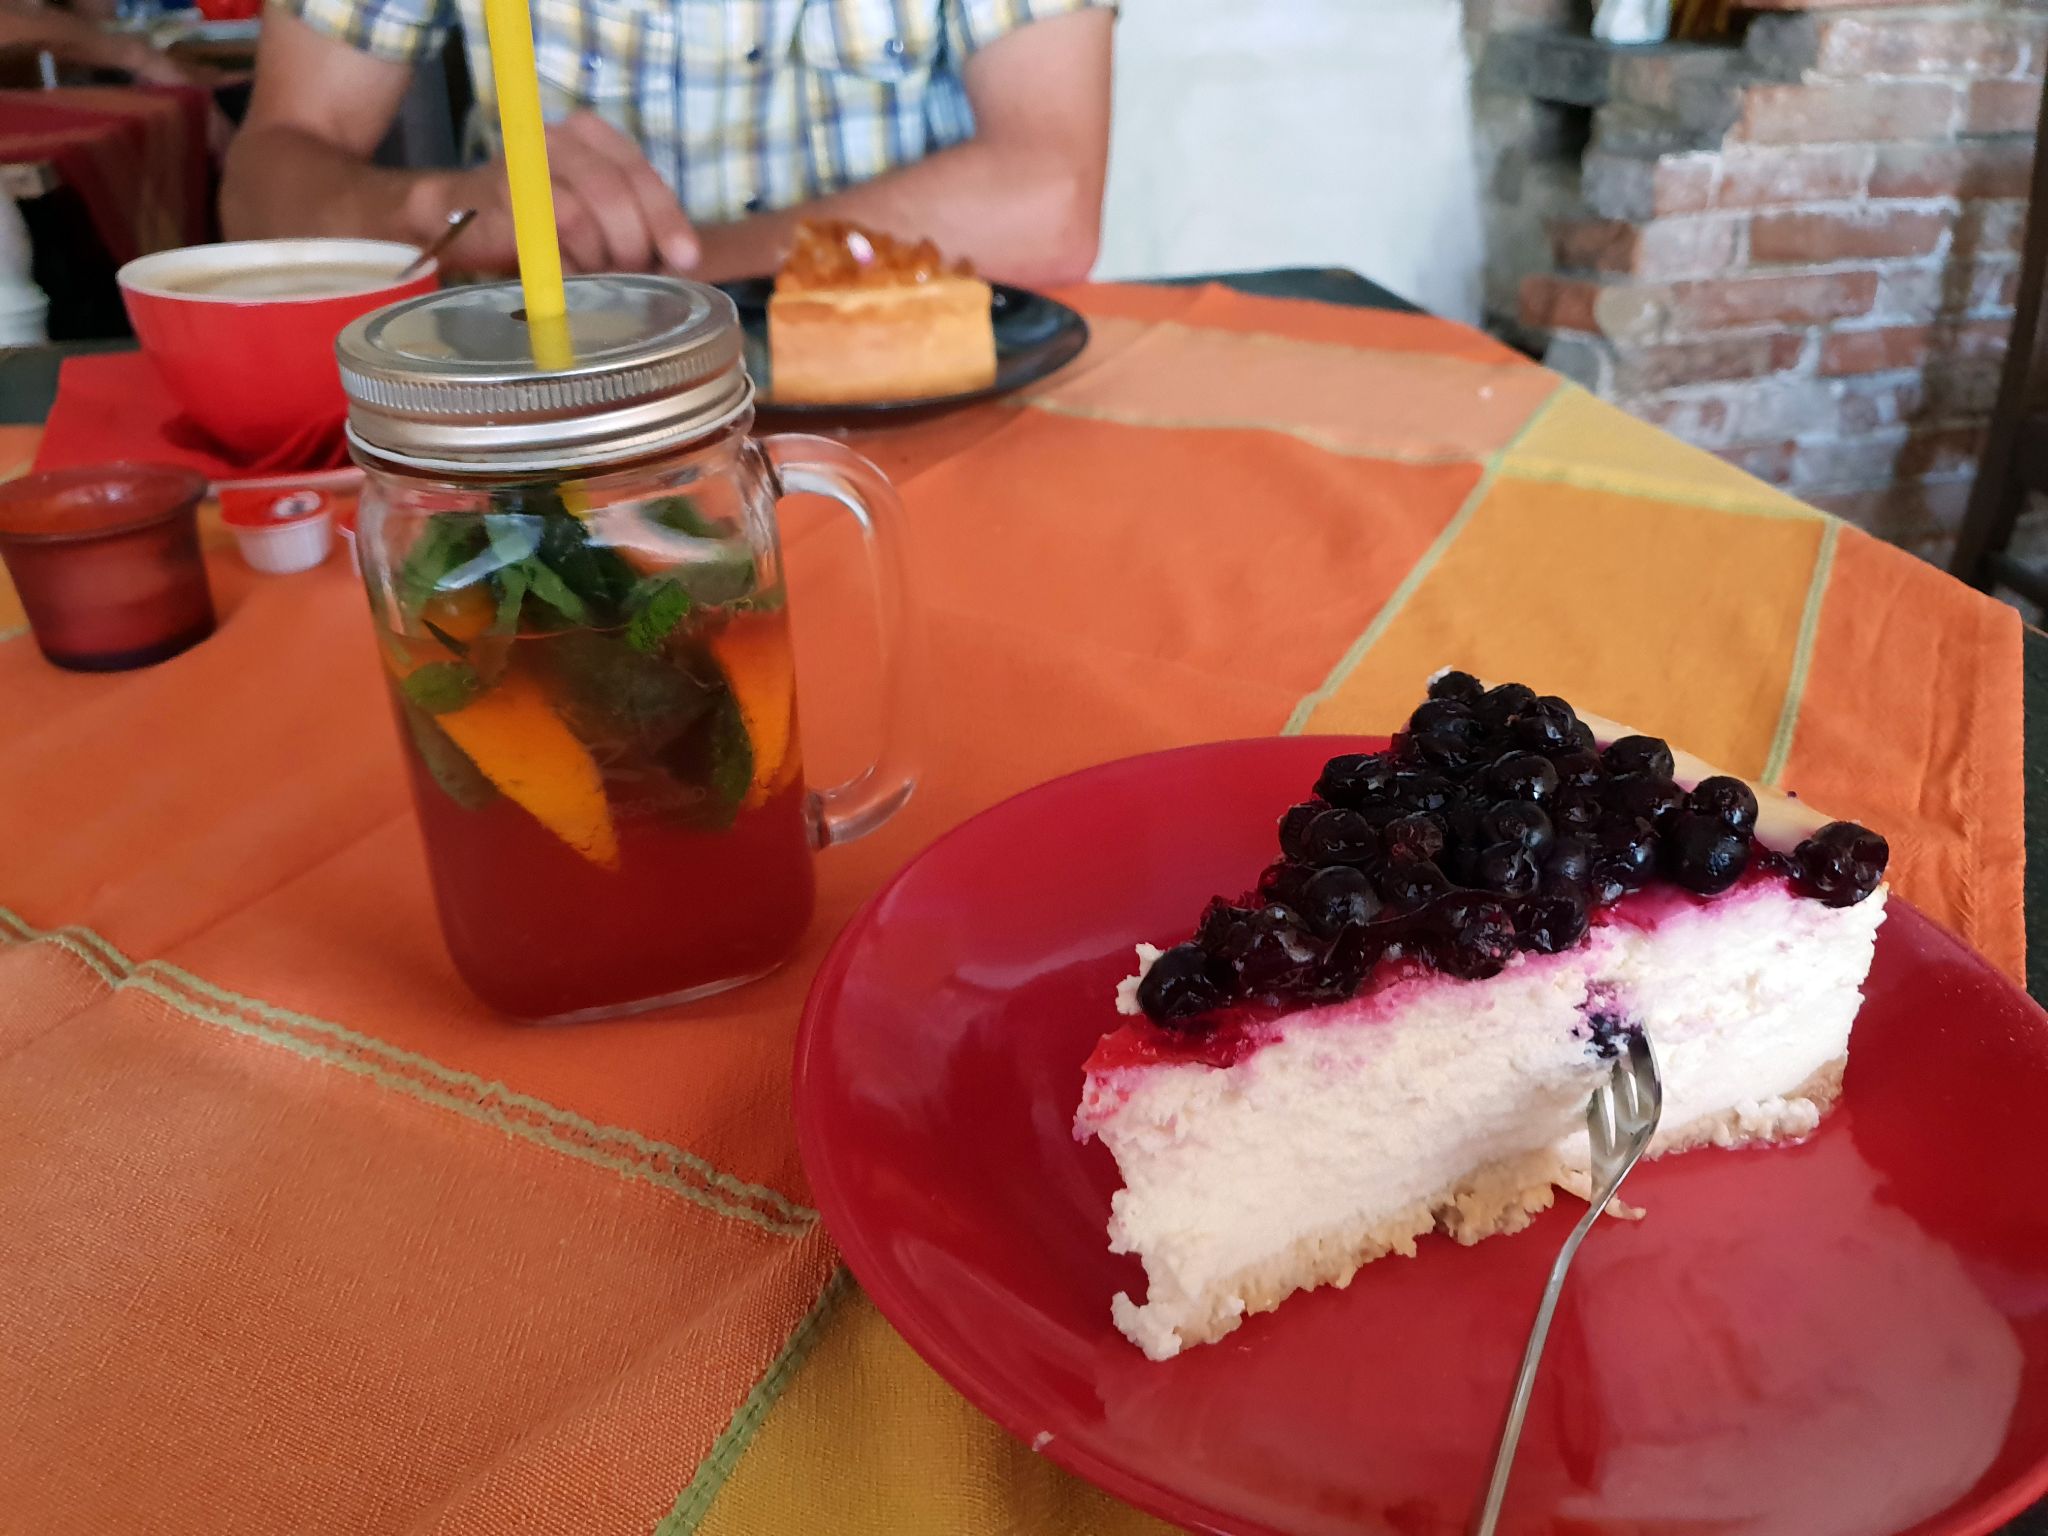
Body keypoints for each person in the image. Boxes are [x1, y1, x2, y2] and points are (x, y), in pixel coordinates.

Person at [220, 0, 1112, 285]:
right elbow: (266, 180)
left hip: (933, 425)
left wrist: (669, 295)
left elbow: (1051, 199)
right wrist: (430, 209)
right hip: (555, 447)